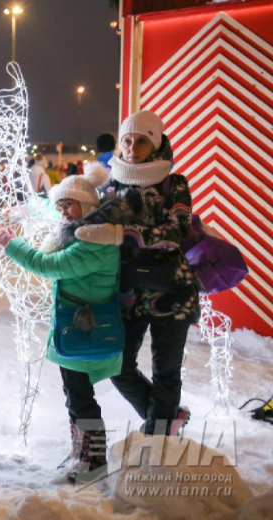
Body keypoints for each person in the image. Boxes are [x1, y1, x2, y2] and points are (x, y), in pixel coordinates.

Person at [0, 163, 128, 483]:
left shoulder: (94, 242)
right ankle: (82, 451)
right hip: (75, 325)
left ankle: (93, 460)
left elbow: (46, 264)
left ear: (88, 205)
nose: (64, 211)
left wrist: (12, 244)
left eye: (70, 203)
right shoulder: (84, 235)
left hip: (86, 329)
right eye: (60, 205)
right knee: (75, 394)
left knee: (81, 397)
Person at [75, 110, 198, 436]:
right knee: (119, 367)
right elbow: (91, 230)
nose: (132, 147)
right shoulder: (111, 185)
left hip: (172, 293)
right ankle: (164, 420)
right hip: (128, 293)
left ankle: (158, 438)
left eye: (141, 141)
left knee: (166, 372)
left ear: (155, 144)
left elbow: (176, 232)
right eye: (127, 140)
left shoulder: (174, 184)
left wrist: (121, 234)